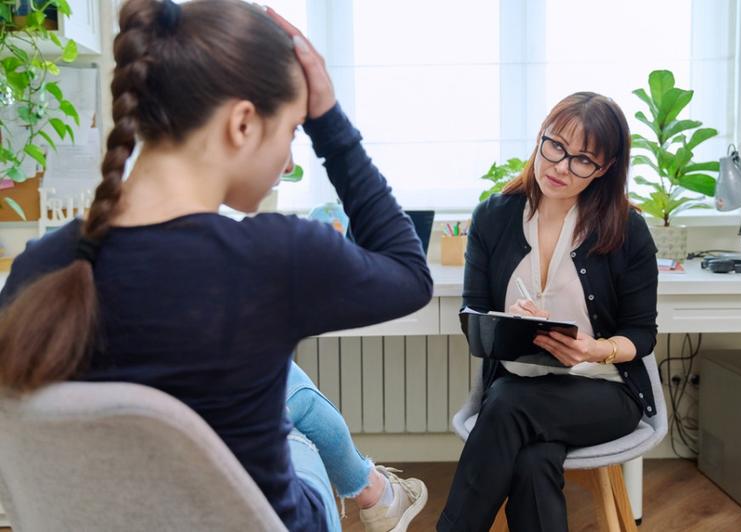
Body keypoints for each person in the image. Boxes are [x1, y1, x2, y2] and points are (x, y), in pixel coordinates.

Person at [0, 1, 432, 531]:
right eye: (294, 130)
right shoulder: (277, 257)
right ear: (243, 123)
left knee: (279, 390)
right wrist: (329, 123)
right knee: (290, 422)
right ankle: (377, 496)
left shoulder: (41, 266)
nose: (290, 161)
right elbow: (410, 273)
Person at [437, 92, 658, 532]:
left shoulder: (627, 230)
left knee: (505, 406)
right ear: (540, 137)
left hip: (605, 392)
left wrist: (595, 349)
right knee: (533, 460)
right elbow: (474, 316)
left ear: (605, 169)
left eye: (582, 160)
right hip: (521, 388)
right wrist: (507, 323)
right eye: (555, 146)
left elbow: (641, 333)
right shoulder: (493, 218)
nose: (560, 166)